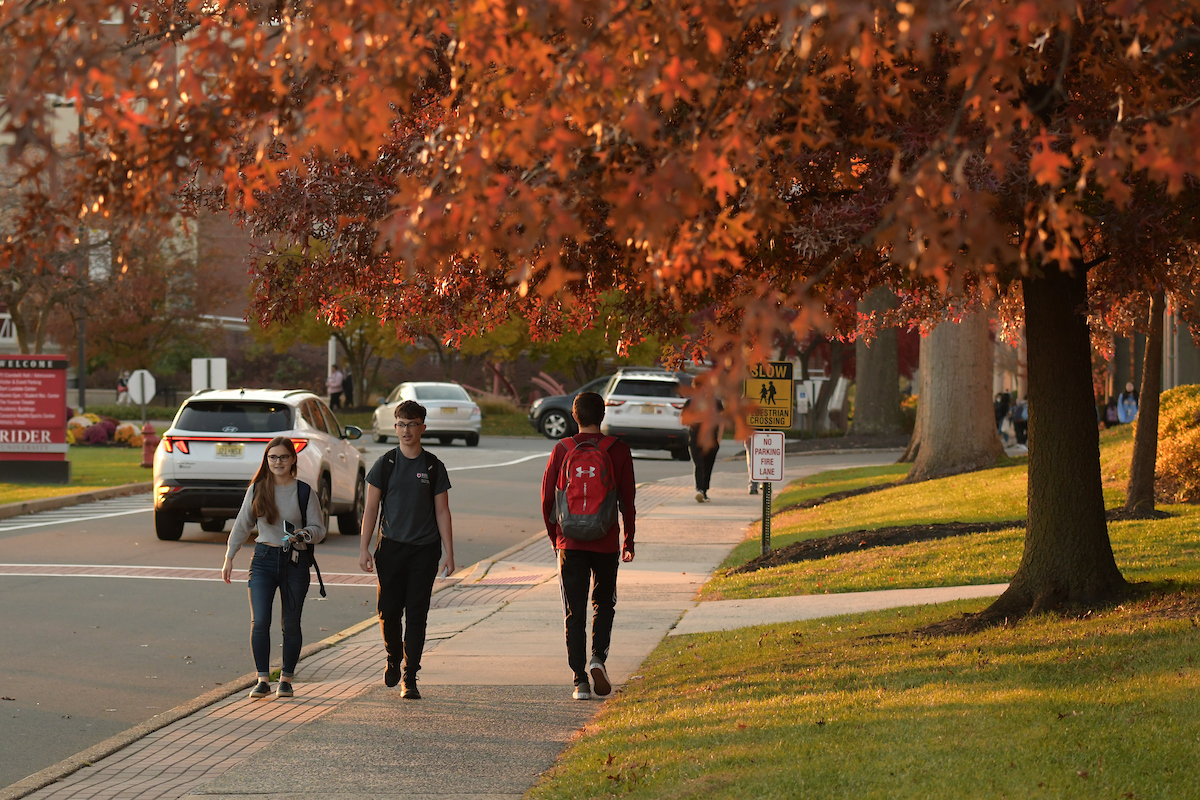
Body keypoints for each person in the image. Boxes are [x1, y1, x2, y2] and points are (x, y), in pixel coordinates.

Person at [540, 391, 636, 700]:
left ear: (574, 416)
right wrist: (628, 539)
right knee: (604, 603)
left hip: (571, 541)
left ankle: (579, 679)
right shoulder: (618, 450)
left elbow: (547, 500)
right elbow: (628, 501)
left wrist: (555, 537)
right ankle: (598, 658)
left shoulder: (562, 449)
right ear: (603, 415)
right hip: (605, 540)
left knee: (574, 609)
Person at [359, 400, 455, 699]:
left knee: (416, 614)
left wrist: (449, 552)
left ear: (422, 427)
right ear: (395, 426)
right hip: (390, 548)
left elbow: (442, 512)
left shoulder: (432, 466)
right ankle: (392, 658)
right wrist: (364, 548)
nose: (406, 430)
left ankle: (410, 676)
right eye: (401, 424)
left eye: (412, 424)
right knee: (388, 612)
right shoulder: (385, 464)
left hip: (424, 551)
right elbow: (371, 508)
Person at [221, 437, 326, 700]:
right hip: (263, 559)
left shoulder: (304, 492)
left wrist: (304, 534)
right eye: (272, 457)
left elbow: (319, 528)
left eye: (283, 457)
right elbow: (242, 524)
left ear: (293, 460)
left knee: (290, 624)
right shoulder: (258, 489)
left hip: (295, 562)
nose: (278, 462)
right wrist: (229, 556)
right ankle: (262, 679)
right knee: (260, 622)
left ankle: (286, 679)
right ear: (266, 461)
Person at [684, 398, 723, 503]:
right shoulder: (691, 402)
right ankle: (700, 490)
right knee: (699, 464)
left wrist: (719, 439)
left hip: (711, 439)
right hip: (695, 438)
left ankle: (704, 490)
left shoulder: (716, 402)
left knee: (708, 465)